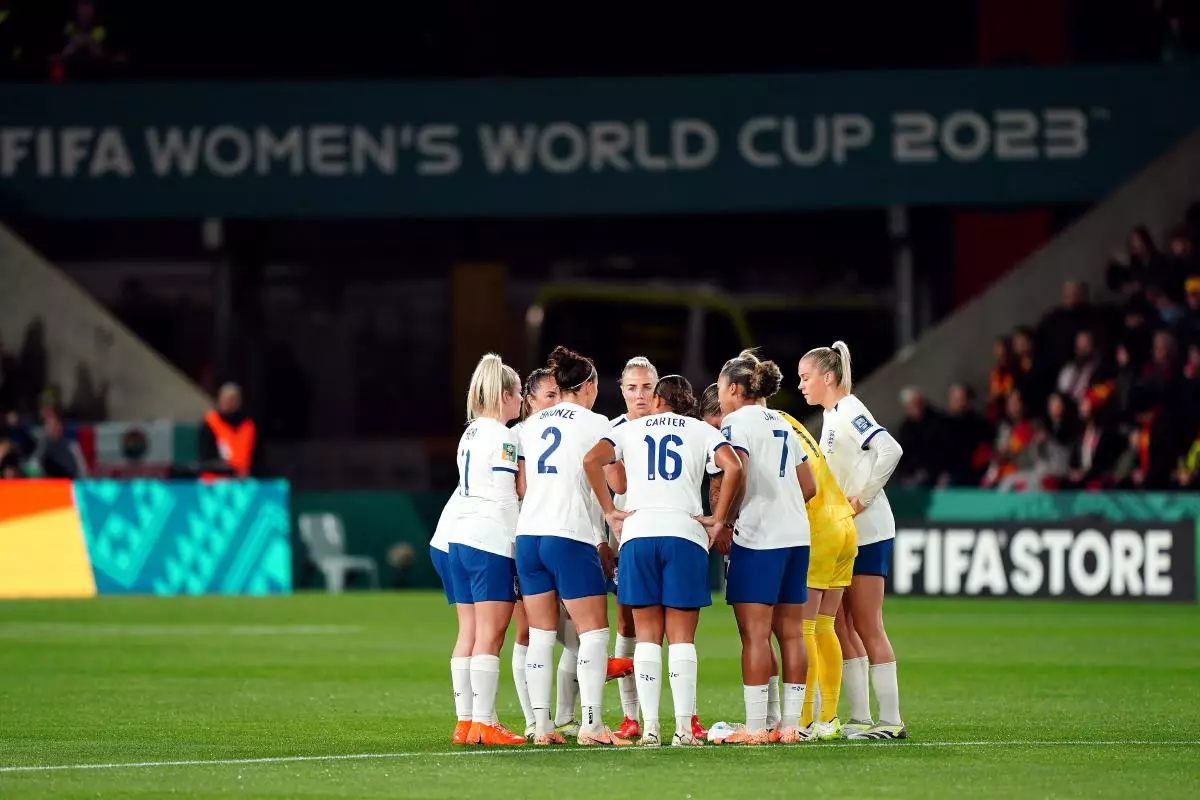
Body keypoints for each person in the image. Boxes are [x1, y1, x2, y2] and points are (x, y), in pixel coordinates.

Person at [583, 375, 742, 747]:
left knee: (647, 639)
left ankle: (651, 728)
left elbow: (592, 460)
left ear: (656, 400)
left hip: (638, 534)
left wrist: (609, 511)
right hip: (683, 533)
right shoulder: (701, 429)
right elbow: (733, 466)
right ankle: (684, 730)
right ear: (687, 403)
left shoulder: (630, 429)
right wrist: (718, 520)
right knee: (683, 639)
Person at [515, 346, 628, 746]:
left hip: (528, 536)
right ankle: (593, 725)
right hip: (570, 534)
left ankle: (542, 726)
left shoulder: (529, 425)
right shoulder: (595, 421)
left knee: (541, 635)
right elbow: (618, 483)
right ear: (589, 386)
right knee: (594, 632)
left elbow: (522, 486)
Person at [798, 341, 906, 740]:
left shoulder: (850, 410)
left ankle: (891, 719)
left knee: (866, 624)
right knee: (839, 625)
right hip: (844, 534)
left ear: (828, 378)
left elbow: (889, 449)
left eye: (806, 377)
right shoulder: (832, 416)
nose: (802, 385)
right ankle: (860, 718)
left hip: (869, 531)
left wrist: (862, 498)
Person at [603, 357, 707, 741]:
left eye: (647, 387)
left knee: (667, 629)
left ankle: (685, 716)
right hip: (627, 532)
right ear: (623, 391)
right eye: (632, 388)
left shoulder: (644, 431)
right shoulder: (615, 430)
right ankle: (632, 716)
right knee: (629, 624)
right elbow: (613, 482)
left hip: (646, 532)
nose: (640, 395)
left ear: (658, 391)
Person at [715, 351, 816, 745]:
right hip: (796, 535)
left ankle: (756, 727)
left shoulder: (735, 423)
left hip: (760, 537)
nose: (720, 396)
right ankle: (790, 726)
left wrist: (727, 516)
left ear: (735, 389)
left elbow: (734, 470)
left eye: (722, 387)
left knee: (755, 635)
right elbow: (808, 486)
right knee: (791, 633)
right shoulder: (784, 423)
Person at [446, 353, 525, 746]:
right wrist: (517, 543)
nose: (522, 403)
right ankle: (484, 723)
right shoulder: (503, 436)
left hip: (459, 538)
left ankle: (465, 722)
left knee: (469, 633)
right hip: (489, 538)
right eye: (519, 396)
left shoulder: (471, 433)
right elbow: (504, 495)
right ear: (507, 394)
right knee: (491, 636)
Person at [771, 405, 858, 742]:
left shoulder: (760, 428)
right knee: (825, 625)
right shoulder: (785, 419)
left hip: (819, 528)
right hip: (844, 524)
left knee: (803, 627)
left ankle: (805, 720)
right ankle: (828, 718)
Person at [428, 489, 470, 743]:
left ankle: (467, 721)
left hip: (445, 541)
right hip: (471, 541)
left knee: (469, 630)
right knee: (484, 632)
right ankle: (478, 721)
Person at [198, 383, 258, 479]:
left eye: (233, 399)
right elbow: (205, 458)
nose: (229, 403)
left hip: (243, 482)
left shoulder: (248, 425)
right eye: (226, 399)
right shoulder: (209, 423)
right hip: (215, 483)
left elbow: (257, 457)